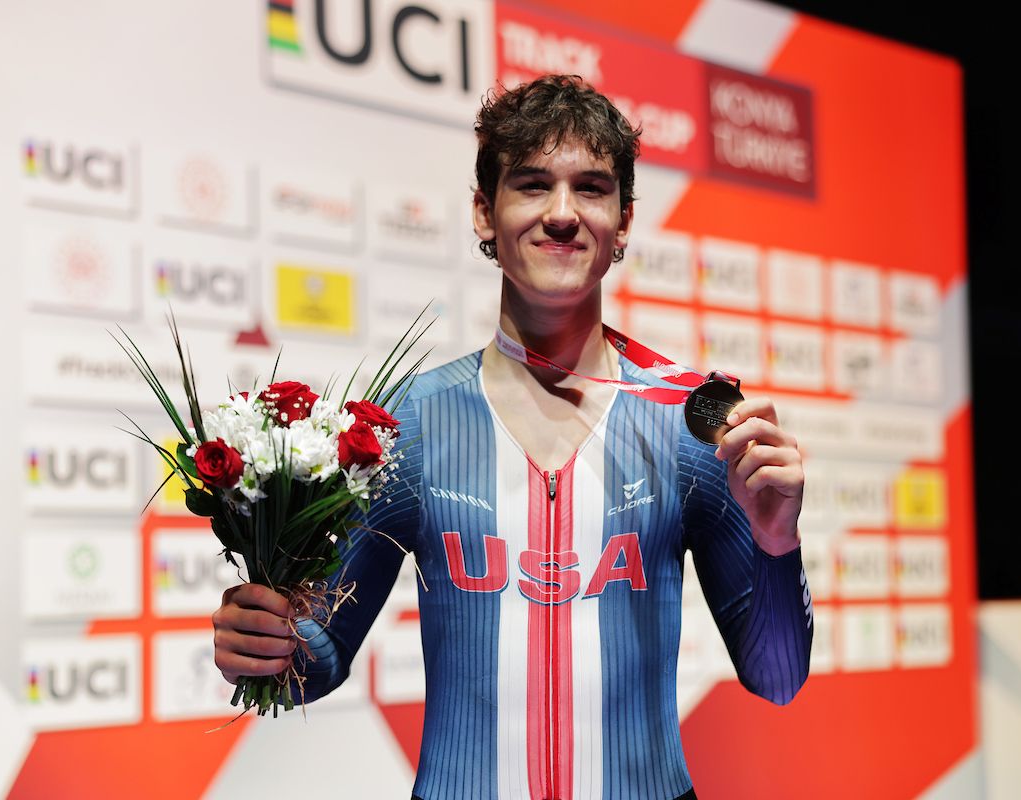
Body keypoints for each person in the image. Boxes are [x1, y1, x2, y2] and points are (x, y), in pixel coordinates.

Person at [213, 74, 812, 800]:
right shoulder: (410, 424)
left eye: (590, 189)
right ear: (484, 213)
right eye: (531, 185)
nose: (562, 214)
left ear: (623, 222)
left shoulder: (692, 427)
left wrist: (778, 544)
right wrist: (268, 644)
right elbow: (324, 656)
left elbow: (777, 680)